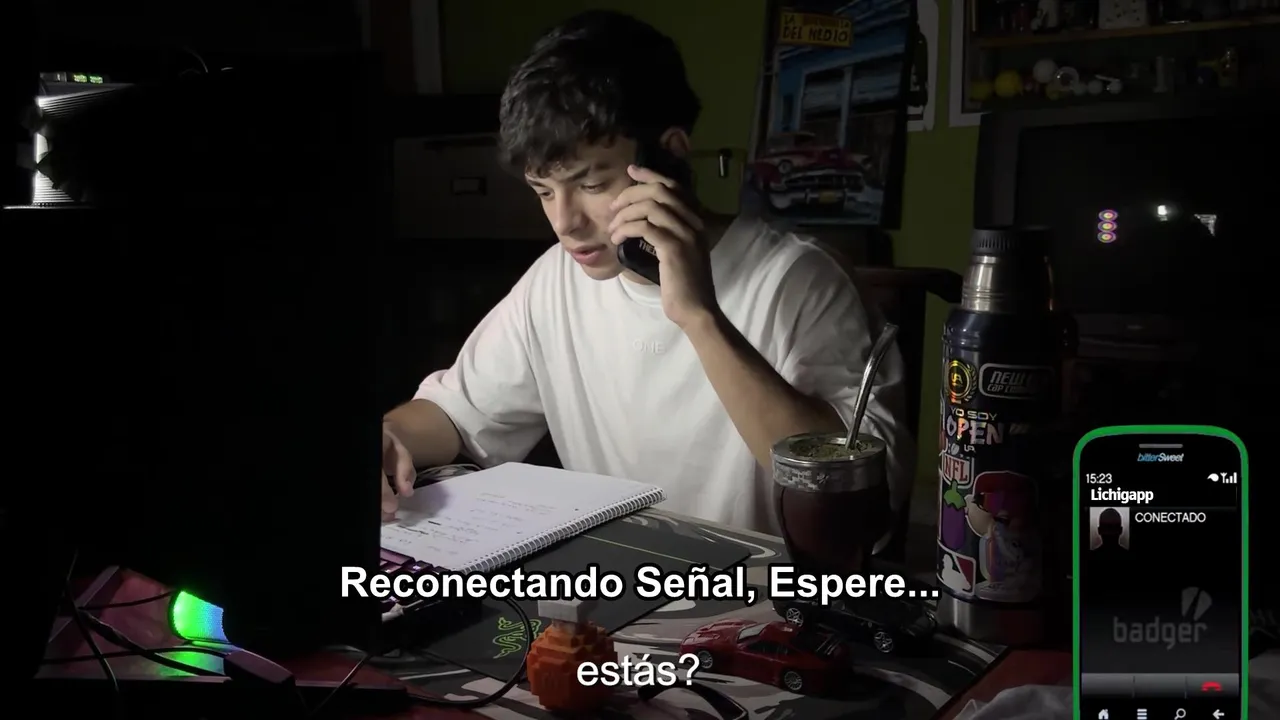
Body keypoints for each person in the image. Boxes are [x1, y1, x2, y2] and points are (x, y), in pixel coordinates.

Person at [379, 10, 913, 542]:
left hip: (766, 588)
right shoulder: (554, 282)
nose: (564, 222)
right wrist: (388, 438)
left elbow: (863, 510)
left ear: (670, 155)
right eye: (543, 191)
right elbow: (454, 414)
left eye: (591, 185)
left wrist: (699, 317)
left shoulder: (800, 280)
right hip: (616, 581)